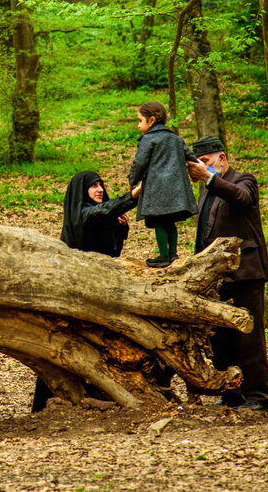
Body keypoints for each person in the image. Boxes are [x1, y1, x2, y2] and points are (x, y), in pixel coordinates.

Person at [32, 171, 139, 412]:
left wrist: (121, 226)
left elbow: (111, 248)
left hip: (101, 289)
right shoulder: (83, 214)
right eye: (93, 186)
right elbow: (98, 214)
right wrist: (131, 196)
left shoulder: (101, 215)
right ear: (82, 192)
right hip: (78, 292)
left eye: (101, 185)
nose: (99, 189)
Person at [186, 135, 268, 411]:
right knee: (221, 338)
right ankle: (232, 392)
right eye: (198, 164)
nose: (202, 167)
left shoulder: (243, 180)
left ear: (222, 159)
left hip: (246, 273)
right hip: (217, 276)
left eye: (207, 162)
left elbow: (242, 198)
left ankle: (258, 396)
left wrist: (210, 178)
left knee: (249, 336)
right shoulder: (206, 192)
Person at [127, 101, 198, 268]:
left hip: (156, 188)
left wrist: (132, 179)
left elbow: (139, 162)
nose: (138, 125)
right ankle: (173, 254)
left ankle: (164, 256)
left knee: (159, 220)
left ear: (151, 120)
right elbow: (190, 156)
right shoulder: (175, 138)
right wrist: (198, 170)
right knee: (170, 221)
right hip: (176, 189)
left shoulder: (148, 139)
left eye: (140, 120)